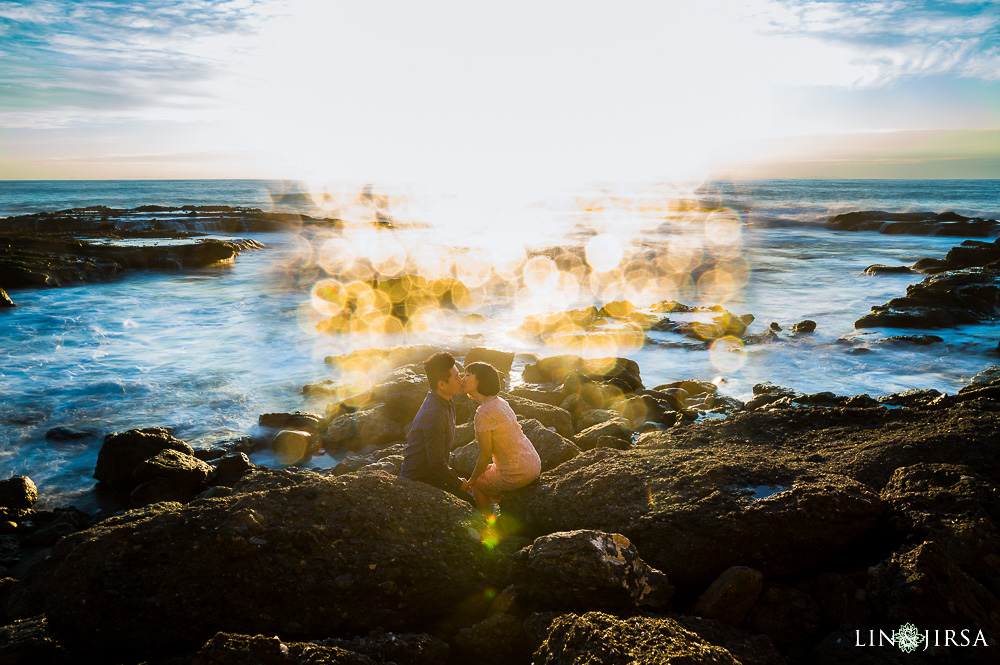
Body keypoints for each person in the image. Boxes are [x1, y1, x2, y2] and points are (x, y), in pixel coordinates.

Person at [460, 362, 542, 512]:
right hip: (534, 463)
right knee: (487, 470)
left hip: (518, 473)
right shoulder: (500, 402)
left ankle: (485, 524)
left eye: (467, 375)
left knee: (478, 484)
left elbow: (485, 455)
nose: (462, 379)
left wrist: (471, 480)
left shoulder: (483, 413)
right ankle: (509, 507)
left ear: (480, 381)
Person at [399, 352, 472, 503]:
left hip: (433, 474)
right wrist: (457, 483)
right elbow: (436, 462)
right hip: (419, 481)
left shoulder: (442, 400)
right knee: (469, 503)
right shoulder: (435, 415)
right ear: (442, 384)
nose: (461, 380)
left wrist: (455, 479)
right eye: (456, 377)